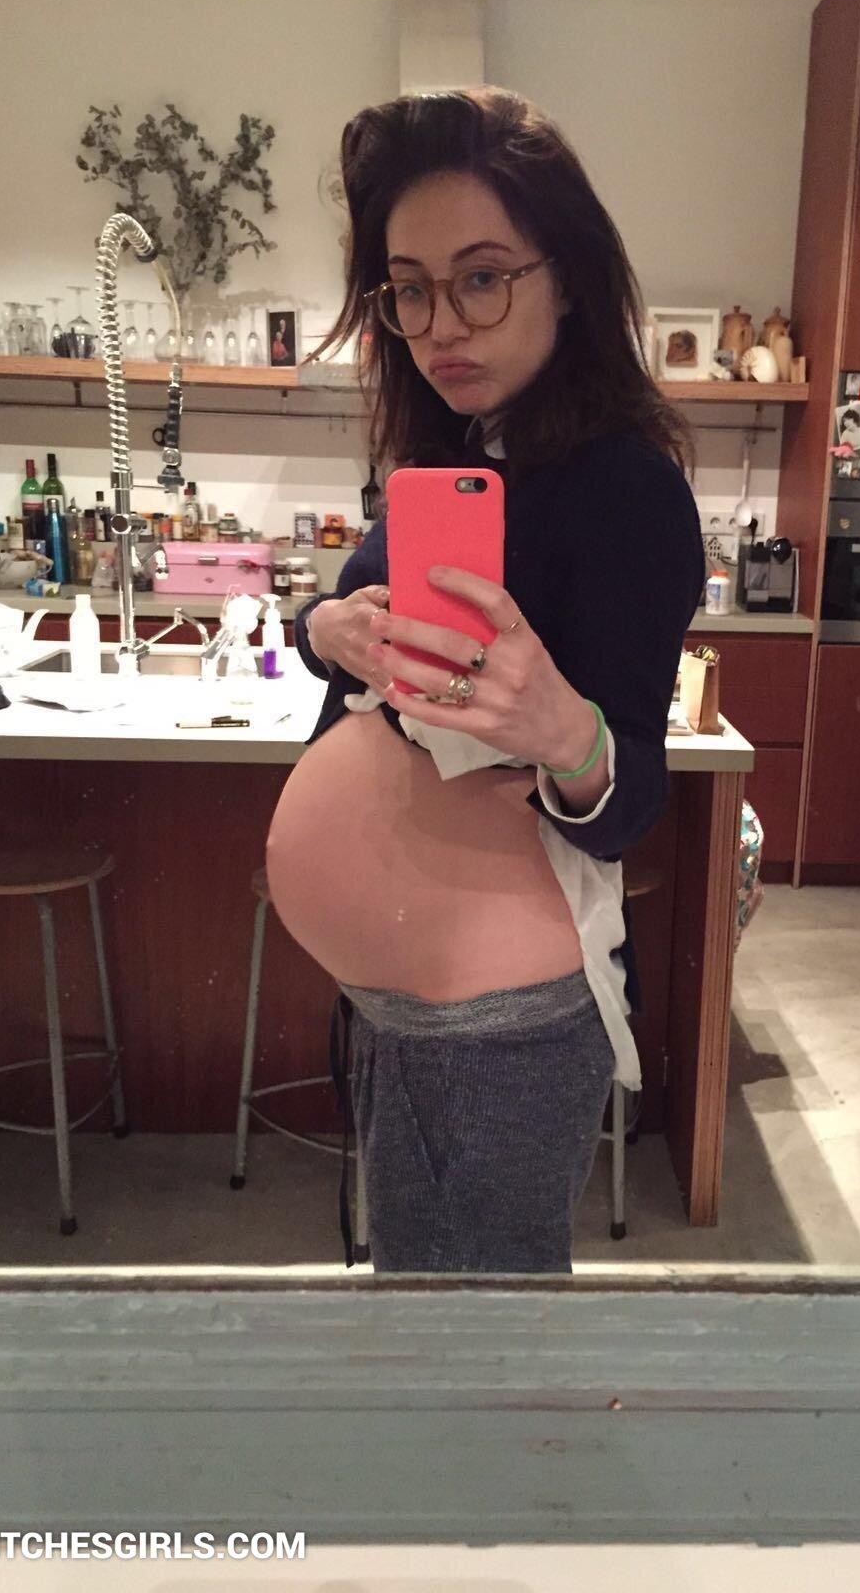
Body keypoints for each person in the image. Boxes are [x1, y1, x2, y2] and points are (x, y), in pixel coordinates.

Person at [265, 86, 705, 1275]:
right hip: (405, 1001)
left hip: (505, 1019)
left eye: (482, 278)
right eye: (409, 288)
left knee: (476, 1332)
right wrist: (327, 626)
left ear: (568, 278)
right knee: (429, 1303)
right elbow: (352, 648)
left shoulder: (625, 491)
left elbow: (632, 801)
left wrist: (565, 731)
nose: (440, 324)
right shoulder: (452, 461)